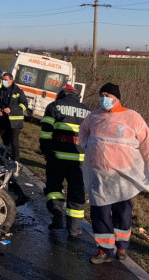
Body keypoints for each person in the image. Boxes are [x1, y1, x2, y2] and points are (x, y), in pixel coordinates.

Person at [79, 83, 149, 264]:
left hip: (122, 176)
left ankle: (121, 247)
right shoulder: (94, 116)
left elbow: (147, 143)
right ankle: (104, 249)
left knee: (122, 212)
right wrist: (85, 143)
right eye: (101, 95)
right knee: (100, 212)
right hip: (99, 174)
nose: (103, 98)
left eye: (107, 95)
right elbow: (82, 131)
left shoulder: (132, 117)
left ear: (117, 98)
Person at [40, 84, 90, 237]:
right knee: (77, 193)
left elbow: (46, 133)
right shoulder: (87, 111)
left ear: (61, 94)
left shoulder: (53, 107)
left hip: (57, 157)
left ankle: (57, 214)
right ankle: (75, 230)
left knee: (54, 188)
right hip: (80, 160)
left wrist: (46, 151)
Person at [0, 72, 28, 173]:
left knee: (14, 141)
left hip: (15, 121)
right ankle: (7, 158)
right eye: (2, 79)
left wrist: (12, 110)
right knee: (5, 140)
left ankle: (15, 161)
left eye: (5, 80)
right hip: (3, 119)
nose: (3, 81)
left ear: (11, 80)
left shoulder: (18, 91)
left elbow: (24, 104)